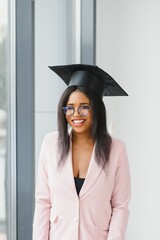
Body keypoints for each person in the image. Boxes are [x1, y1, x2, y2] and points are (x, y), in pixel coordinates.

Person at [32, 64, 131, 240]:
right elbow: (43, 202)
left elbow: (120, 206)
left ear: (97, 108)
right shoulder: (50, 144)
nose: (76, 114)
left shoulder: (116, 150)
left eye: (84, 107)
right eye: (69, 107)